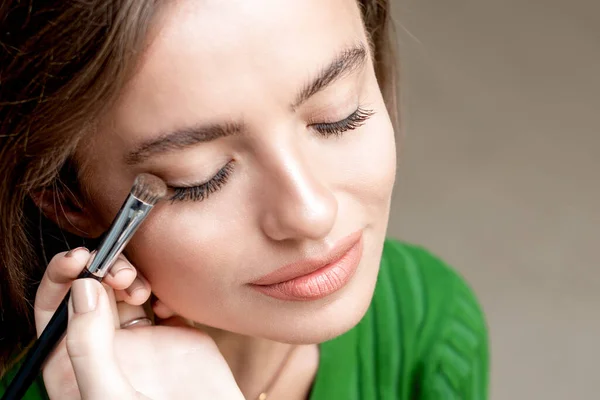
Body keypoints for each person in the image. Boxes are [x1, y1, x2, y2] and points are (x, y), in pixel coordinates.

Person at [0, 0, 489, 399]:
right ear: (67, 198)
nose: (311, 213)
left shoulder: (428, 323)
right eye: (202, 178)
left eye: (337, 118)